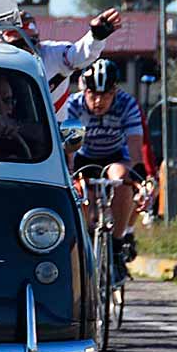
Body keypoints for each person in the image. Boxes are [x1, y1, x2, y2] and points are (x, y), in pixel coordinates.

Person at [66, 59, 145, 280]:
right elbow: (69, 152)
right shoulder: (74, 105)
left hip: (115, 156)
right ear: (84, 89)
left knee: (122, 182)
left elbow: (135, 146)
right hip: (84, 155)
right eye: (93, 94)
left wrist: (138, 172)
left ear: (115, 91)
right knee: (80, 193)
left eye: (106, 94)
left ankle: (118, 246)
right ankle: (85, 242)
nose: (99, 101)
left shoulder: (126, 104)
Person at [2, 8, 122, 120]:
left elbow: (78, 55)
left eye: (31, 42)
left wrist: (96, 37)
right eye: (17, 44)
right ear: (3, 44)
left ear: (38, 41)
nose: (25, 49)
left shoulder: (54, 54)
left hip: (52, 136)